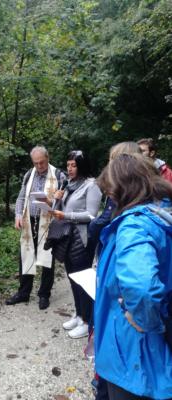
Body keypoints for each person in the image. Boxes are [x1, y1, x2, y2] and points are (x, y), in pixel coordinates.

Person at [94, 153, 172, 400]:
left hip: (133, 353)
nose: (109, 197)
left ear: (123, 188)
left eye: (110, 191)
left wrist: (147, 320)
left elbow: (141, 287)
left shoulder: (134, 224)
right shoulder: (162, 211)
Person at [6, 146, 65, 310]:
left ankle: (44, 294)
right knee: (26, 255)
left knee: (47, 257)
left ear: (48, 158)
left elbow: (64, 203)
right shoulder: (28, 174)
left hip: (48, 221)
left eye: (42, 162)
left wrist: (51, 201)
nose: (39, 166)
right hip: (29, 220)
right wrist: (18, 215)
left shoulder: (59, 175)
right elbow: (21, 197)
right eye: (36, 163)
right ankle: (23, 293)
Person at [51, 150, 102, 338]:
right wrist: (56, 200)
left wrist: (67, 216)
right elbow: (58, 211)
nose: (69, 169)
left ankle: (88, 322)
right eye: (68, 165)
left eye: (73, 165)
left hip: (82, 239)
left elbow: (91, 215)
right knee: (72, 278)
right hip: (67, 238)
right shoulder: (68, 184)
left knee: (83, 280)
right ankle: (79, 314)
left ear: (82, 166)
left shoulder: (92, 185)